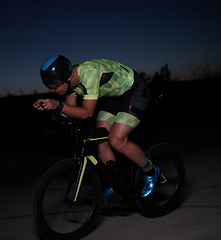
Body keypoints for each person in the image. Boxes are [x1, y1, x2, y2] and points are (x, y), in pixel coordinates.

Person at [33, 55, 160, 199]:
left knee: (116, 140)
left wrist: (58, 105)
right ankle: (116, 183)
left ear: (66, 78)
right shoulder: (68, 80)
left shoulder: (89, 73)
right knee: (100, 139)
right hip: (114, 97)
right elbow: (70, 110)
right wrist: (51, 108)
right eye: (49, 85)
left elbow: (87, 113)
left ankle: (151, 172)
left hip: (134, 90)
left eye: (55, 84)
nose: (53, 89)